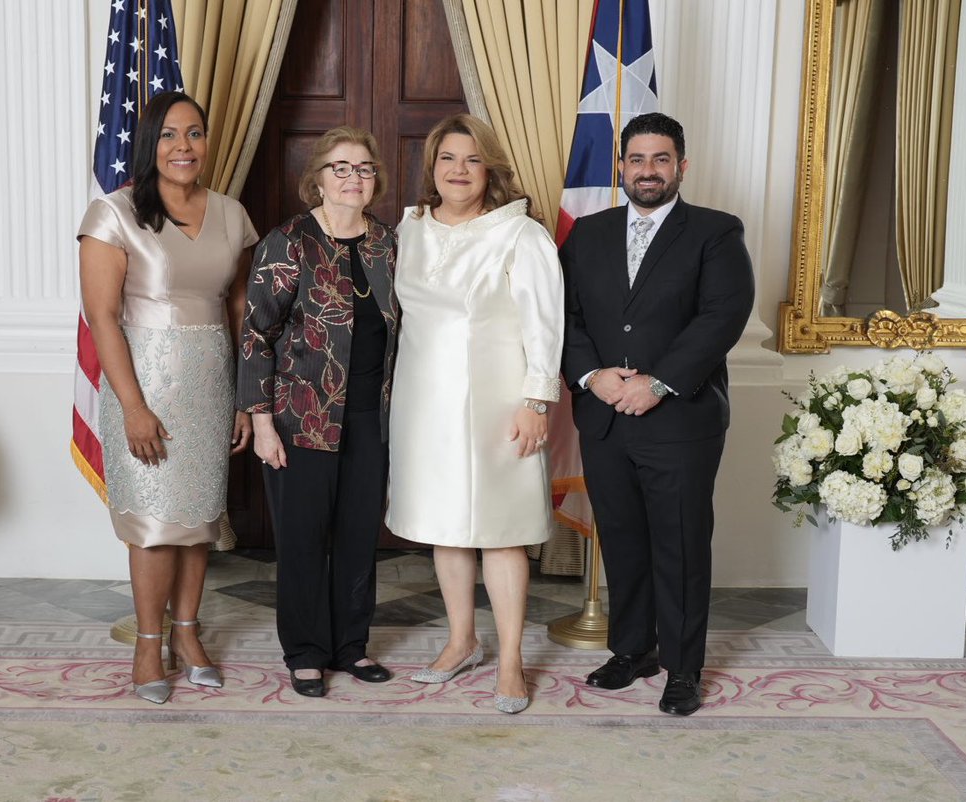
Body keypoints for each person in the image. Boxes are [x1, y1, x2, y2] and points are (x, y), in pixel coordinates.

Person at [560, 112, 755, 716]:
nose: (648, 171)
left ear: (681, 167)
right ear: (621, 166)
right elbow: (564, 319)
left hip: (679, 419)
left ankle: (682, 666)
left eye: (661, 159)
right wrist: (594, 378)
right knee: (622, 540)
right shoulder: (586, 234)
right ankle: (632, 650)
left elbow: (722, 315)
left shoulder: (715, 233)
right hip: (605, 416)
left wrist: (659, 383)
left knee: (680, 545)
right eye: (637, 159)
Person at [78, 91, 257, 705]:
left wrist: (242, 396)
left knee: (199, 521)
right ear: (149, 143)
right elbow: (102, 317)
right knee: (153, 526)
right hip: (144, 383)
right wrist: (132, 405)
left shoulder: (233, 214)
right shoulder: (114, 213)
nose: (185, 147)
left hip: (211, 381)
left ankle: (188, 634)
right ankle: (148, 643)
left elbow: (238, 306)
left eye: (196, 133)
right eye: (170, 135)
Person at [387, 114, 564, 715]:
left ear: (489, 168)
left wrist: (536, 401)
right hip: (422, 402)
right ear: (432, 168)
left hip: (498, 401)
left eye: (470, 160)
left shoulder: (520, 235)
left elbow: (545, 325)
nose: (458, 171)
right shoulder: (409, 228)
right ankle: (462, 639)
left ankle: (511, 659)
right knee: (445, 523)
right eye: (446, 159)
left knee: (501, 527)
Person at [236, 127, 398, 699]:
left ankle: (350, 645)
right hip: (299, 418)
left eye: (363, 168)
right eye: (341, 168)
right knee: (304, 539)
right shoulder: (288, 242)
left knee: (358, 536)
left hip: (371, 419)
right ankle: (304, 651)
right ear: (318, 179)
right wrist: (259, 422)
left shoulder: (388, 244)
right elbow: (257, 336)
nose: (354, 178)